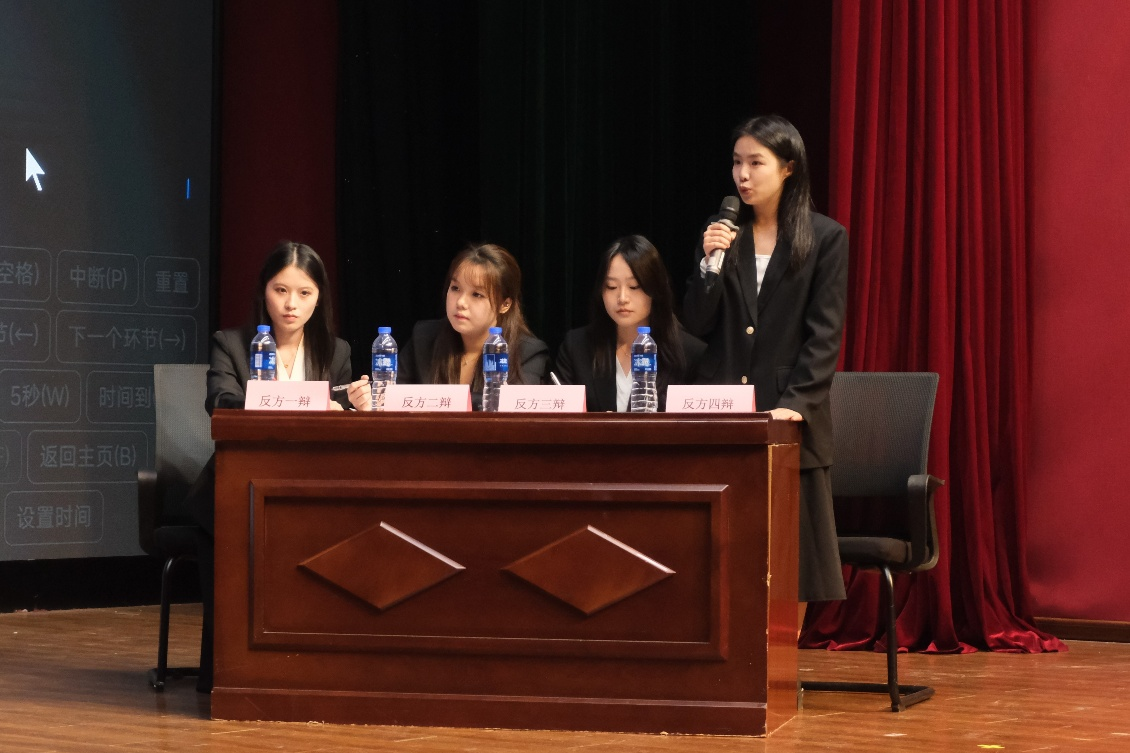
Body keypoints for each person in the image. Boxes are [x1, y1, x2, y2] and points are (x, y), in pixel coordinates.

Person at [187, 241, 369, 692]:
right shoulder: (231, 343)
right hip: (235, 491)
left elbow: (341, 423)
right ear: (263, 291)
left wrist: (353, 409)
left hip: (309, 489)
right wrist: (294, 402)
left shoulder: (336, 351)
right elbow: (221, 403)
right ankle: (226, 678)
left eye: (304, 293)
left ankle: (312, 672)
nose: (291, 304)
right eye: (280, 290)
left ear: (319, 298)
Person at [683, 115, 849, 606]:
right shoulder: (722, 234)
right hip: (724, 412)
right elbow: (696, 323)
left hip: (788, 413)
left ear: (788, 167)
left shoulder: (824, 238)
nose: (743, 175)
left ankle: (785, 657)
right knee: (724, 554)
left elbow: (824, 335)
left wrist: (795, 404)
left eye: (756, 163)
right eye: (737, 162)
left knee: (792, 561)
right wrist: (707, 267)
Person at [556, 235, 705, 411]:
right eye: (611, 287)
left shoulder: (690, 353)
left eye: (634, 286)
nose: (622, 298)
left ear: (655, 289)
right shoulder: (577, 347)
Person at [399, 243, 549, 408]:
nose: (461, 302)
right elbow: (393, 396)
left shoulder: (526, 353)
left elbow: (514, 410)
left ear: (504, 304)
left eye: (477, 294)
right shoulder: (423, 338)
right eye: (455, 288)